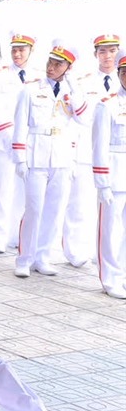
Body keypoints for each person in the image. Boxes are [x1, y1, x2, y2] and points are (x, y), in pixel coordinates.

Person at [12, 41, 88, 278]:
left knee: (54, 210)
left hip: (62, 157)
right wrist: (19, 157)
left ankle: (42, 257)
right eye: (50, 62)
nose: (52, 67)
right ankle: (24, 259)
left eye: (58, 64)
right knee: (34, 209)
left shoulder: (72, 91)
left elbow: (84, 119)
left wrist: (73, 89)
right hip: (36, 155)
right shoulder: (31, 89)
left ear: (68, 68)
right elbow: (20, 124)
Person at [62, 33, 120, 269]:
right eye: (103, 52)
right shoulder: (83, 83)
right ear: (96, 55)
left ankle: (105, 252)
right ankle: (75, 250)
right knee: (80, 203)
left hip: (113, 156)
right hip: (86, 150)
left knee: (111, 209)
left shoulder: (122, 81)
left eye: (112, 51)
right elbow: (76, 119)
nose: (108, 56)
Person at [0, 32, 38, 253]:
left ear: (30, 51)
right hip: (4, 142)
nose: (17, 54)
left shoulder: (39, 76)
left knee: (22, 191)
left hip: (29, 144)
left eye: (22, 50)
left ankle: (15, 235)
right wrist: (9, 136)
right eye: (14, 49)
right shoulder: (0, 75)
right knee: (1, 190)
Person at [91, 49, 126, 298]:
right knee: (109, 229)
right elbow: (99, 144)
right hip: (113, 175)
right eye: (124, 73)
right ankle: (110, 278)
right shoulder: (108, 104)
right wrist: (102, 182)